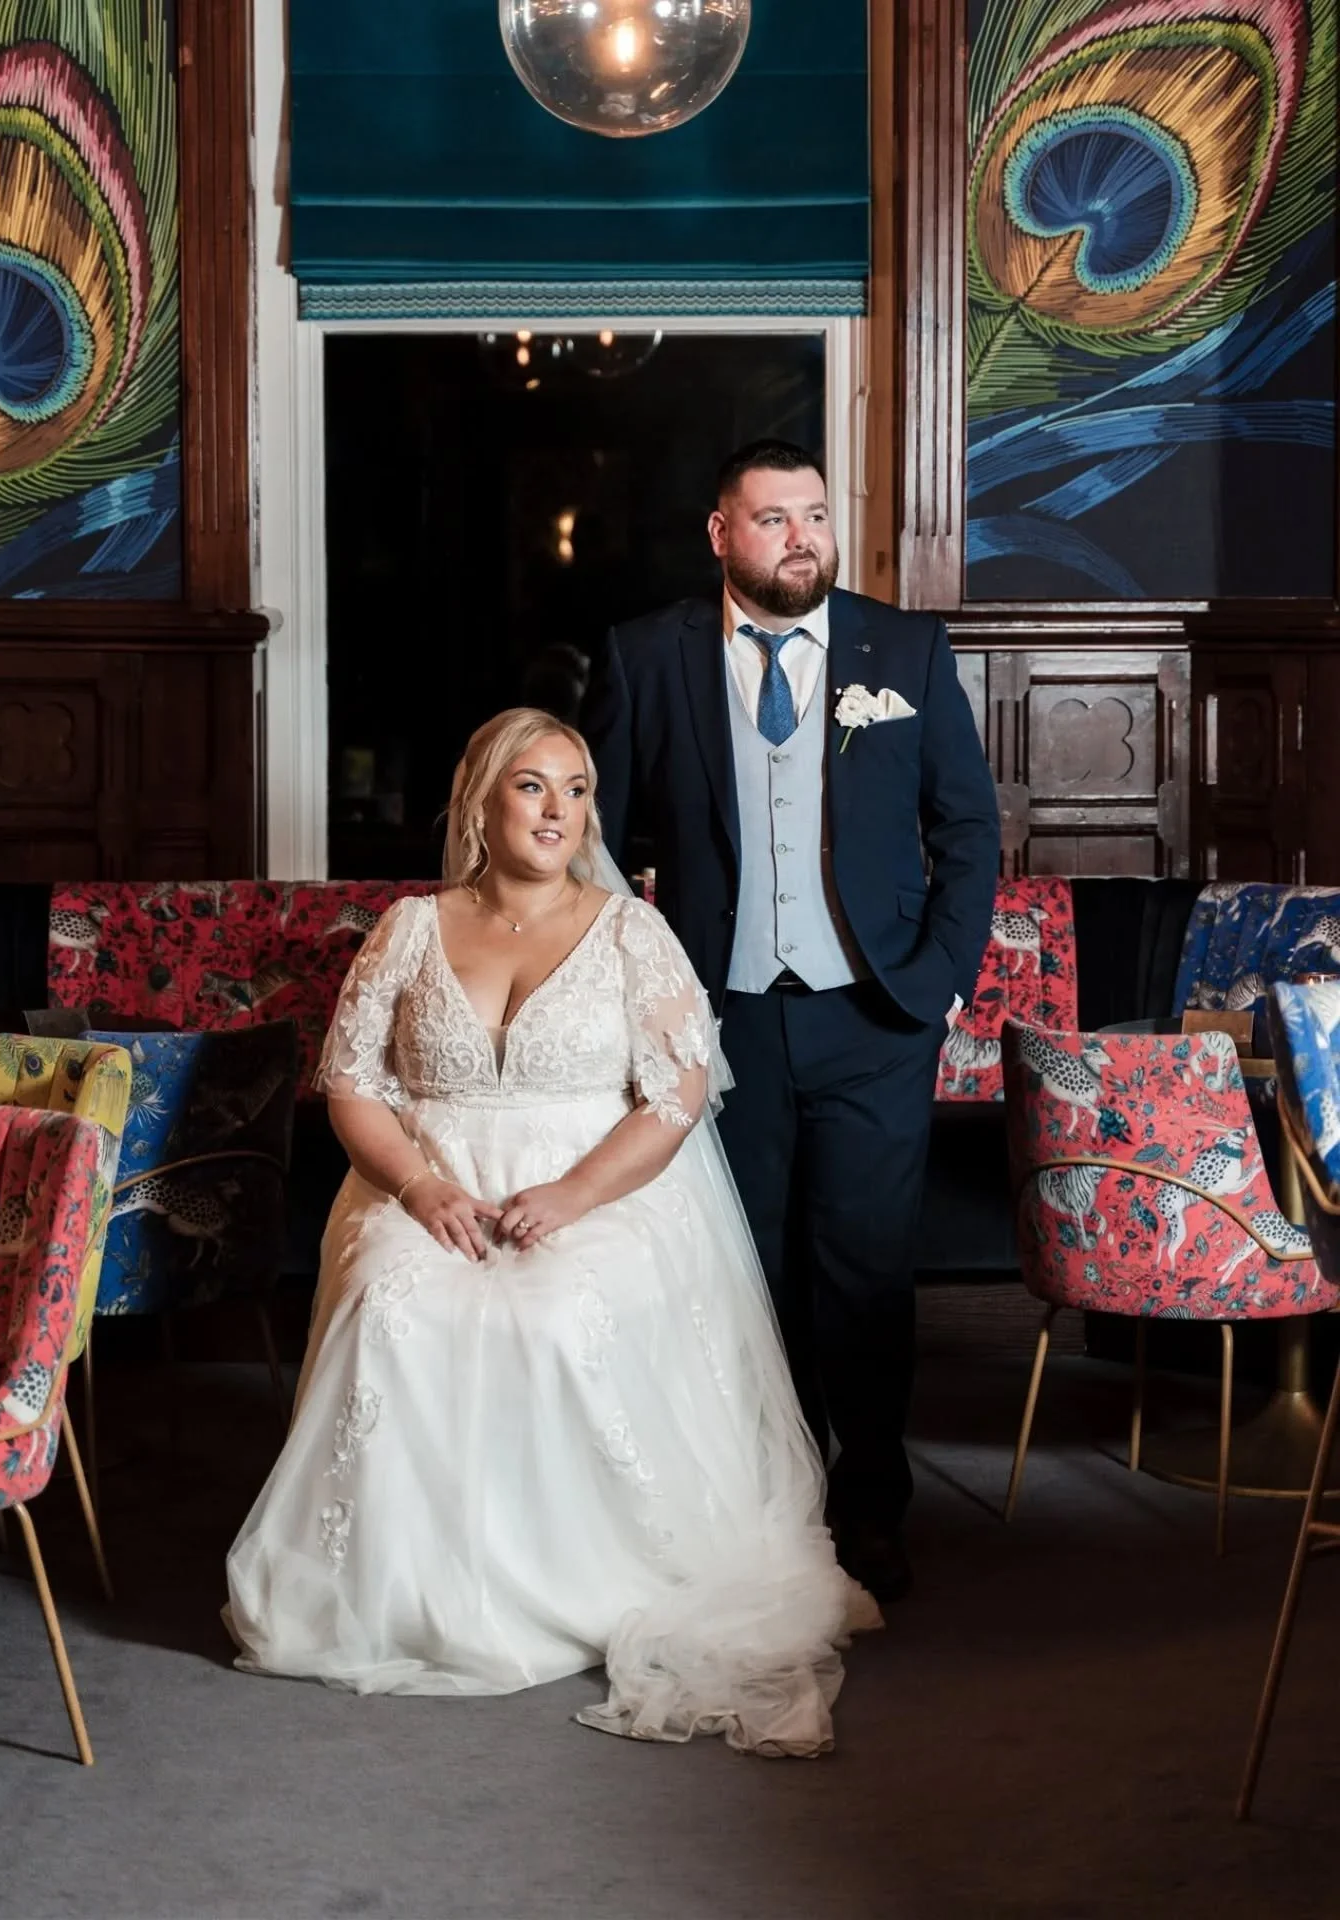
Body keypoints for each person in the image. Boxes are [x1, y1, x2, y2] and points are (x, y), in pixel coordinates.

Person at [226, 707, 877, 1757]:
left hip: (597, 1186)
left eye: (576, 791)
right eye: (533, 787)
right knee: (393, 1307)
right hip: (427, 1179)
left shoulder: (632, 930)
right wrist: (422, 1189)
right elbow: (349, 1085)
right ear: (482, 800)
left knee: (562, 1315)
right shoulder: (408, 926)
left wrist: (571, 1196)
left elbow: (674, 1099)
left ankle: (573, 1584)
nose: (558, 812)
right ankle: (402, 1591)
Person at [581, 441, 1001, 1601]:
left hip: (877, 1017)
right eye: (772, 519)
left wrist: (939, 983)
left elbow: (969, 828)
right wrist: (648, 1002)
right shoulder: (646, 654)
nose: (799, 537)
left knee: (864, 1274)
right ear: (722, 535)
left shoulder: (903, 648)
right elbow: (598, 850)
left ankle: (872, 1516)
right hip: (722, 1031)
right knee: (742, 1275)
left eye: (813, 515)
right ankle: (762, 1512)